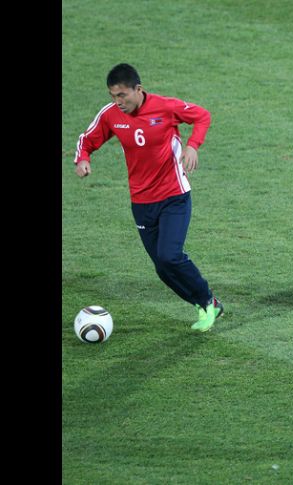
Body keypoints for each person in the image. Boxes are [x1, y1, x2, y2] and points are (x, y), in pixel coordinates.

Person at [73, 63, 224, 332]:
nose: (118, 102)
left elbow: (202, 116)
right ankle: (203, 303)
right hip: (141, 203)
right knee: (162, 268)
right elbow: (87, 139)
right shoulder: (111, 116)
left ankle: (207, 301)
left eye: (122, 95)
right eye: (113, 96)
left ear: (138, 89)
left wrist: (192, 145)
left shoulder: (165, 107)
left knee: (169, 256)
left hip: (174, 196)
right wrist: (83, 159)